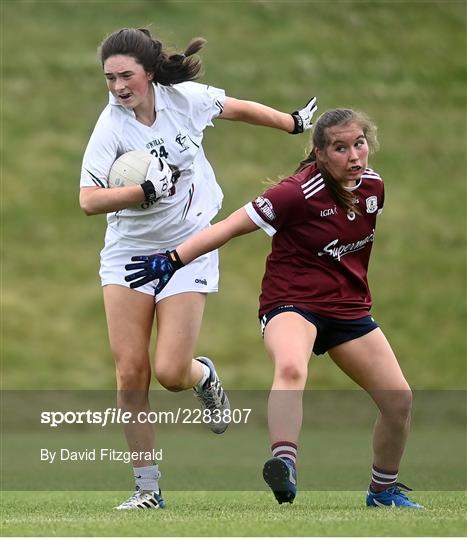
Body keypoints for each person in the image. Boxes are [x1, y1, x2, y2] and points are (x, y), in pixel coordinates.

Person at [125, 108, 423, 509]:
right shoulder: (295, 193)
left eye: (359, 144)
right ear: (319, 153)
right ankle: (285, 464)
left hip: (348, 307)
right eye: (340, 148)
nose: (354, 156)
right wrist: (173, 259)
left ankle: (383, 492)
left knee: (399, 399)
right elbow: (228, 226)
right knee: (291, 367)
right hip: (292, 302)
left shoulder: (373, 188)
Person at [79, 26, 318, 510]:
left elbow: (237, 108)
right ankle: (147, 490)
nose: (118, 87)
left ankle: (202, 376)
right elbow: (87, 200)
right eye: (109, 79)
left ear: (148, 73)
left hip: (189, 246)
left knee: (170, 371)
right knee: (131, 374)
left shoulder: (184, 100)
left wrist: (291, 123)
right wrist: (140, 192)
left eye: (126, 76)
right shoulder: (110, 127)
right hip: (127, 255)